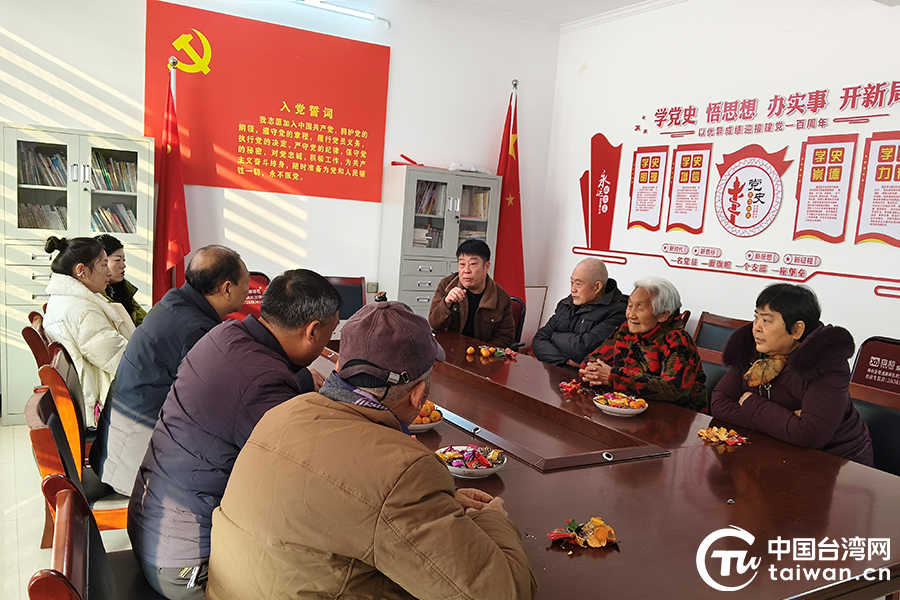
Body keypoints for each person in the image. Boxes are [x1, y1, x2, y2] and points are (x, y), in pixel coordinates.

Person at [206, 301, 537, 600]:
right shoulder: (403, 473)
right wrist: (493, 520)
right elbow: (505, 592)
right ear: (418, 393)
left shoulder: (284, 411)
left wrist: (440, 504)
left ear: (340, 367)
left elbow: (348, 501)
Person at [128, 269, 341, 600]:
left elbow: (247, 385)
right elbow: (298, 476)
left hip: (152, 523)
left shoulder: (224, 334)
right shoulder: (264, 385)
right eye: (330, 334)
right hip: (186, 564)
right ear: (313, 331)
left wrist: (301, 381)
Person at [90, 245, 251, 496]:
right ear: (227, 288)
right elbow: (225, 395)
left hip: (116, 448)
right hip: (136, 466)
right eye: (247, 283)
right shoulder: (195, 329)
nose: (249, 290)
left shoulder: (174, 302)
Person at [710, 283, 873, 465]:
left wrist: (749, 403)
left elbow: (810, 434)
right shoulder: (753, 349)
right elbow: (719, 403)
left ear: (797, 330)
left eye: (766, 321)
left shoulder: (824, 362)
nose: (756, 327)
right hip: (778, 453)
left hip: (837, 463)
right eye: (756, 317)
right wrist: (784, 423)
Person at [43, 236, 135, 427]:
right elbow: (122, 361)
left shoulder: (69, 300)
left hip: (91, 391)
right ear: (81, 270)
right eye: (103, 264)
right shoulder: (81, 310)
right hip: (100, 405)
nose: (108, 271)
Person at [580, 276, 707, 411]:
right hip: (628, 408)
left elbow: (674, 390)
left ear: (663, 315)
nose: (631, 315)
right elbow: (592, 360)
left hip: (675, 415)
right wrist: (593, 371)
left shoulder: (678, 341)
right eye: (630, 306)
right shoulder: (626, 330)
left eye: (640, 308)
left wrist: (614, 377)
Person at [532, 258, 628, 369]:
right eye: (571, 283)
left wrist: (554, 336)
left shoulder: (618, 311)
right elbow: (538, 340)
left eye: (578, 284)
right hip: (557, 370)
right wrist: (567, 361)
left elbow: (583, 350)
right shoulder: (567, 304)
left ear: (597, 287)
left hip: (586, 377)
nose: (573, 289)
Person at [428, 239, 515, 348]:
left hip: (482, 354)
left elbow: (505, 338)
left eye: (473, 264)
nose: (466, 270)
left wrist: (481, 353)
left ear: (486, 266)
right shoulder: (446, 285)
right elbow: (434, 324)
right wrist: (447, 302)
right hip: (448, 351)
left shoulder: (501, 297)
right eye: (462, 264)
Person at [95, 233, 147, 326]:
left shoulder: (122, 290)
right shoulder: (93, 295)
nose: (123, 265)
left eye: (123, 260)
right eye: (117, 260)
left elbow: (145, 322)